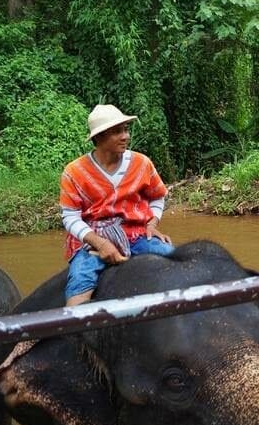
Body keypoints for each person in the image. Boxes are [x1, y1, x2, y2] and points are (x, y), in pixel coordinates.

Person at [60, 104, 174, 306]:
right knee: (80, 281)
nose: (125, 136)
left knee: (173, 257)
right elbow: (70, 216)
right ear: (99, 137)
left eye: (125, 130)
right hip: (91, 241)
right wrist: (101, 243)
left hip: (136, 234)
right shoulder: (74, 172)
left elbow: (157, 196)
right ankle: (73, 320)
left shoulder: (142, 163)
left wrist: (152, 223)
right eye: (117, 132)